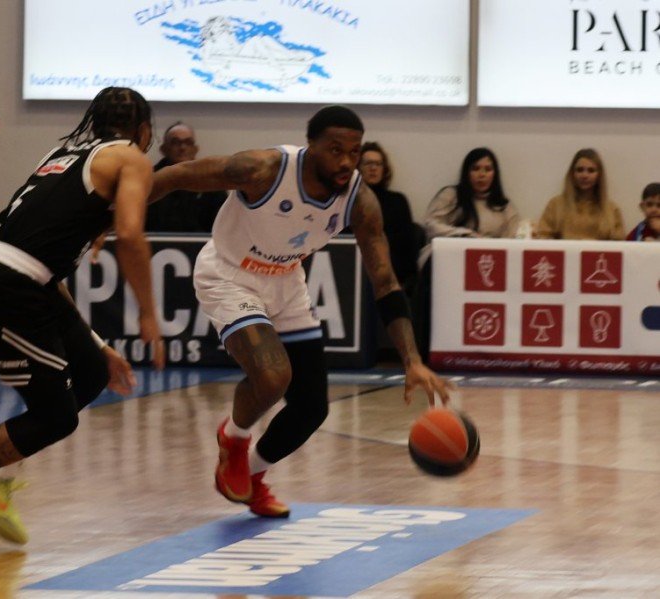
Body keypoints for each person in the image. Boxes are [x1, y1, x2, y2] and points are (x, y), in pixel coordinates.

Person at [0, 87, 165, 549]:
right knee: (56, 418)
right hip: (8, 285)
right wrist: (149, 314)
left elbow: (42, 268)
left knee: (92, 371)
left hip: (18, 277)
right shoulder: (131, 158)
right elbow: (132, 236)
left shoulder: (63, 157)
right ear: (144, 129)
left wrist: (98, 344)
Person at [150, 105, 451, 519]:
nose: (346, 161)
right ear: (310, 145)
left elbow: (385, 281)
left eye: (354, 151)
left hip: (287, 282)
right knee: (273, 377)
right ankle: (234, 438)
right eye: (335, 150)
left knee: (311, 408)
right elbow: (174, 176)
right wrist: (111, 218)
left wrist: (412, 361)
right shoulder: (263, 169)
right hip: (229, 274)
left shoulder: (360, 200)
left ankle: (251, 474)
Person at [415, 147, 519, 361]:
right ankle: (426, 352)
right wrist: (465, 235)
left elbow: (512, 241)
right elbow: (431, 225)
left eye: (487, 169)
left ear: (495, 174)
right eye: (476, 168)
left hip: (488, 264)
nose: (482, 175)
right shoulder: (451, 195)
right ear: (467, 172)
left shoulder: (504, 206)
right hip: (447, 259)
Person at [357, 141, 419, 293]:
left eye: (378, 164)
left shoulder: (397, 201)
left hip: (391, 273)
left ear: (384, 169)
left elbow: (406, 246)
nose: (373, 168)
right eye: (368, 163)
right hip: (355, 270)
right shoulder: (346, 200)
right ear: (358, 168)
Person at [145, 122, 226, 232]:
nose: (182, 147)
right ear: (163, 149)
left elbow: (222, 225)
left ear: (195, 149)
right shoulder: (148, 180)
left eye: (188, 142)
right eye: (175, 142)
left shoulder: (211, 181)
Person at [534, 148, 624, 240]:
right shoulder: (555, 205)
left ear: (599, 175)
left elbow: (619, 243)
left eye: (591, 170)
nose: (584, 175)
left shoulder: (611, 210)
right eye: (580, 170)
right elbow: (543, 237)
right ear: (572, 174)